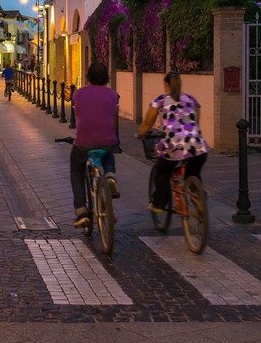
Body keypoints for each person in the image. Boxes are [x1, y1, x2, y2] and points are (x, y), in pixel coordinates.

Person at [136, 71, 209, 214]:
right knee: (193, 173)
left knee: (162, 171)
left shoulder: (160, 101)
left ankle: (159, 203)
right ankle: (199, 199)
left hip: (173, 146)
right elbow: (196, 123)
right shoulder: (191, 100)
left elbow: (147, 122)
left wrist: (140, 135)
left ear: (166, 85)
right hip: (198, 146)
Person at [69, 61, 120, 228]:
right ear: (107, 78)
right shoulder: (113, 95)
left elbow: (79, 113)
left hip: (84, 142)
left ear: (88, 77)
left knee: (76, 170)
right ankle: (110, 175)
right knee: (108, 151)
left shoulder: (78, 93)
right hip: (107, 140)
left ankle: (81, 210)